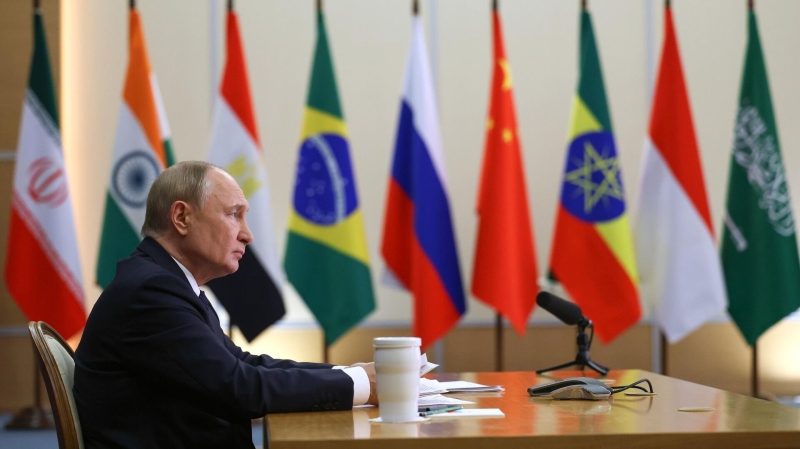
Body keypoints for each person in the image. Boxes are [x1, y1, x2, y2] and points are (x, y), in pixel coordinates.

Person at [74, 161, 376, 448]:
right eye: (234, 214)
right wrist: (360, 383)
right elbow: (239, 387)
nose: (247, 235)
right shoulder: (151, 292)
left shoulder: (166, 283)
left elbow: (244, 364)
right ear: (181, 218)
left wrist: (348, 373)